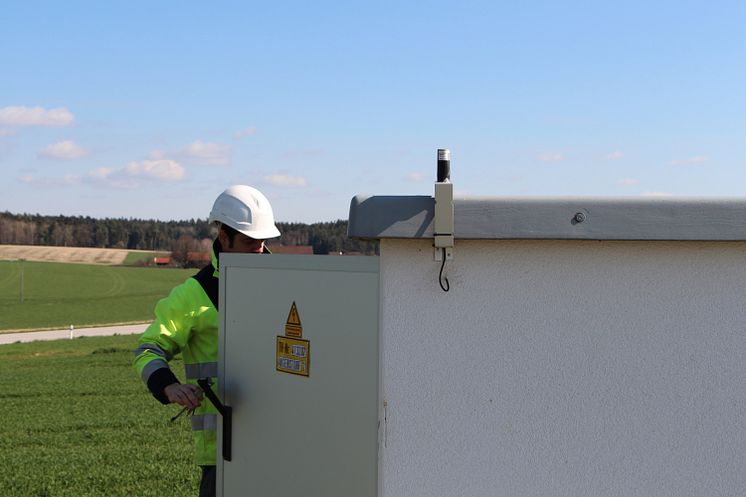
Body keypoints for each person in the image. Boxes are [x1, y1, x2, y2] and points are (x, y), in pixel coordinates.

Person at [133, 185, 281, 497]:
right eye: (250, 241)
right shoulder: (192, 296)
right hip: (223, 453)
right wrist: (169, 386)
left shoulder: (283, 284)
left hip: (282, 442)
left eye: (264, 241)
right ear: (223, 237)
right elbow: (148, 350)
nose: (259, 248)